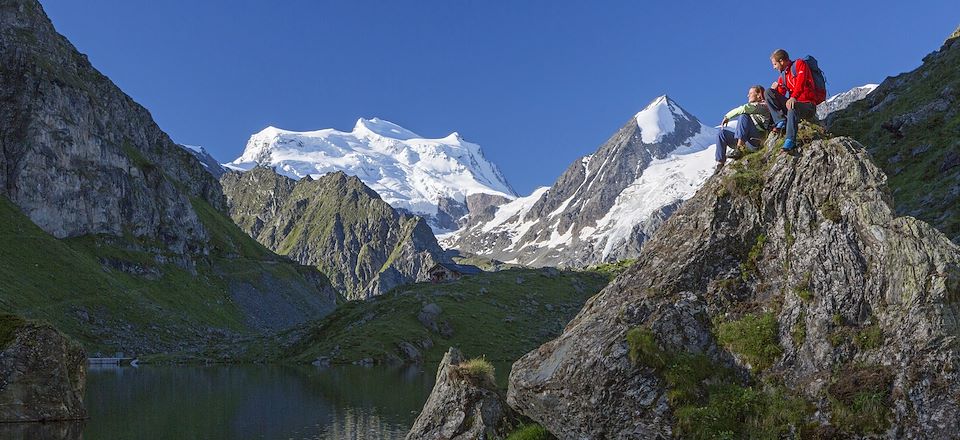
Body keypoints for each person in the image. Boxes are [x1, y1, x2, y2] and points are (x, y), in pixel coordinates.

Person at [765, 49, 825, 151]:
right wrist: (774, 90)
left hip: (808, 105)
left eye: (775, 64)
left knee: (792, 106)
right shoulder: (783, 76)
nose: (774, 67)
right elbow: (780, 94)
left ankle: (790, 140)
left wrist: (793, 97)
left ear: (781, 61)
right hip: (793, 104)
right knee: (768, 92)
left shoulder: (799, 64)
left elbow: (801, 82)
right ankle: (781, 121)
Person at [715, 85, 770, 173]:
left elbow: (744, 108)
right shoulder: (753, 107)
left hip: (756, 141)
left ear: (759, 95)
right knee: (722, 133)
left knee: (743, 115)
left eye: (750, 93)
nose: (748, 96)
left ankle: (739, 149)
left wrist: (727, 117)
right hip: (747, 140)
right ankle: (720, 163)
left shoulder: (763, 106)